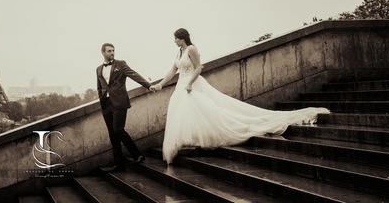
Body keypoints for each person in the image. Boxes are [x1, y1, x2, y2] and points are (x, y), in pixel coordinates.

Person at [152, 28, 330, 164]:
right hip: (181, 85)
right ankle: (195, 140)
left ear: (182, 37)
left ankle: (208, 138)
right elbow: (173, 70)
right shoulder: (179, 52)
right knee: (189, 113)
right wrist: (160, 84)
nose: (174, 41)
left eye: (176, 38)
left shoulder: (191, 49)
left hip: (191, 84)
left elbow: (199, 67)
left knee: (208, 110)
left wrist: (190, 83)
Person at [96, 42, 155, 172]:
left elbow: (134, 74)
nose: (112, 53)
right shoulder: (98, 69)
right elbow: (99, 87)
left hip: (119, 102)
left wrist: (148, 85)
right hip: (106, 104)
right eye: (109, 51)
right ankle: (119, 164)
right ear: (103, 53)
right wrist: (101, 101)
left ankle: (137, 154)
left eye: (113, 50)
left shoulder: (120, 64)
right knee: (112, 134)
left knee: (118, 129)